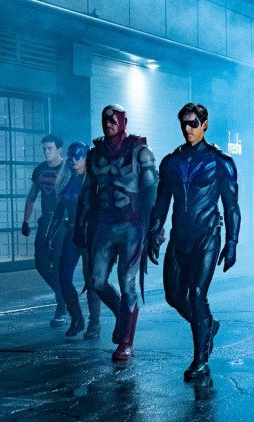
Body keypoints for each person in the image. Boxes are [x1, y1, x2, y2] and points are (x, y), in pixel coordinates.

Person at [147, 103, 241, 381]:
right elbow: (161, 202)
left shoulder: (220, 162)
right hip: (180, 236)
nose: (188, 129)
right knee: (174, 296)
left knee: (197, 295)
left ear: (205, 124)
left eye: (193, 123)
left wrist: (232, 242)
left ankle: (200, 360)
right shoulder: (171, 162)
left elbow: (231, 206)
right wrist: (153, 233)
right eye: (184, 124)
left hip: (207, 236)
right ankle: (207, 325)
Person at [74, 104, 158, 361]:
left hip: (132, 225)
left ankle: (125, 342)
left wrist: (154, 229)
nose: (109, 123)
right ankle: (123, 317)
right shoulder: (95, 154)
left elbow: (152, 192)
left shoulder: (140, 152)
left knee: (127, 281)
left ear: (124, 121)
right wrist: (80, 225)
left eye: (114, 120)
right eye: (105, 120)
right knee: (97, 281)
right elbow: (87, 192)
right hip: (104, 224)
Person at [44, 141, 102, 339]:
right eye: (72, 156)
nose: (75, 160)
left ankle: (94, 323)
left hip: (91, 236)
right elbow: (59, 212)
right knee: (63, 277)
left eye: (79, 156)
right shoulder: (67, 180)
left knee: (91, 280)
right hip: (72, 234)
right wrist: (50, 234)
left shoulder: (95, 182)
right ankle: (77, 319)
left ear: (86, 157)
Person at [21, 134, 67, 327]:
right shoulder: (39, 170)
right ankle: (64, 295)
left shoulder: (68, 169)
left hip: (63, 223)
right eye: (44, 149)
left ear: (59, 150)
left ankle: (62, 306)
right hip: (46, 220)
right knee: (40, 263)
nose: (46, 152)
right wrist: (25, 221)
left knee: (57, 265)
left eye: (50, 148)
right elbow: (32, 196)